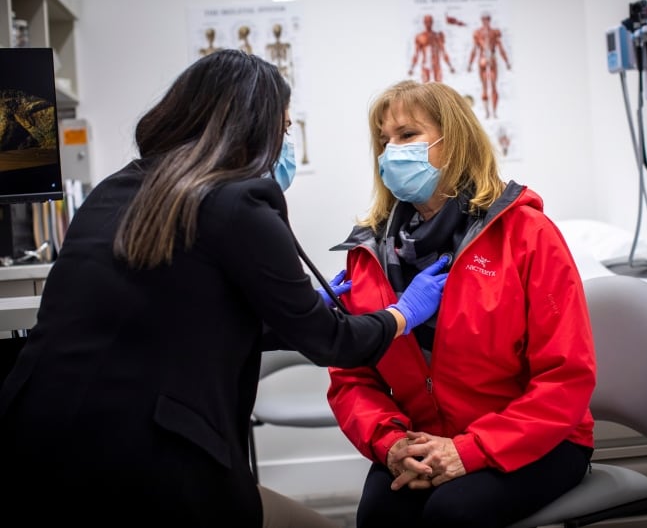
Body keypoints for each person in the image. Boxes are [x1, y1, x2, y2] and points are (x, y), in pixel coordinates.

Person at [0, 51, 448, 527]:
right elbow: (330, 342)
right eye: (285, 127)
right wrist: (404, 312)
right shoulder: (239, 203)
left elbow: (184, 319)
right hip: (145, 467)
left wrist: (291, 312)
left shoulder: (119, 189)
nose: (286, 141)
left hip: (37, 446)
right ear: (254, 128)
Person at [326, 79, 596, 528]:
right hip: (421, 438)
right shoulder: (370, 251)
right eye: (384, 139)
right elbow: (352, 377)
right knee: (379, 515)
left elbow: (566, 378)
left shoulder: (527, 235)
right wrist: (392, 444)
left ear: (455, 143)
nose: (391, 150)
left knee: (452, 514)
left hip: (537, 437)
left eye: (407, 135)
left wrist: (470, 449)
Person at [467, 12, 511, 119]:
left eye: (487, 19)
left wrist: (506, 62)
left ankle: (494, 112)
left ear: (489, 20)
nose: (485, 21)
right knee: (485, 87)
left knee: (494, 86)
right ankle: (487, 112)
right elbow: (474, 49)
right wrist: (470, 64)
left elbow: (500, 48)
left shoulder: (494, 33)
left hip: (491, 59)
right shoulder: (477, 33)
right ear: (482, 20)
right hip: (483, 60)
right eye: (484, 19)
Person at [408, 14, 455, 83]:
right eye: (426, 21)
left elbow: (443, 51)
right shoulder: (420, 37)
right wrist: (412, 68)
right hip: (425, 65)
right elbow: (416, 54)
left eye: (430, 21)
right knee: (426, 87)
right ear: (424, 22)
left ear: (432, 22)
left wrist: (450, 66)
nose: (428, 23)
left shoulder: (438, 36)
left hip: (436, 64)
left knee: (438, 87)